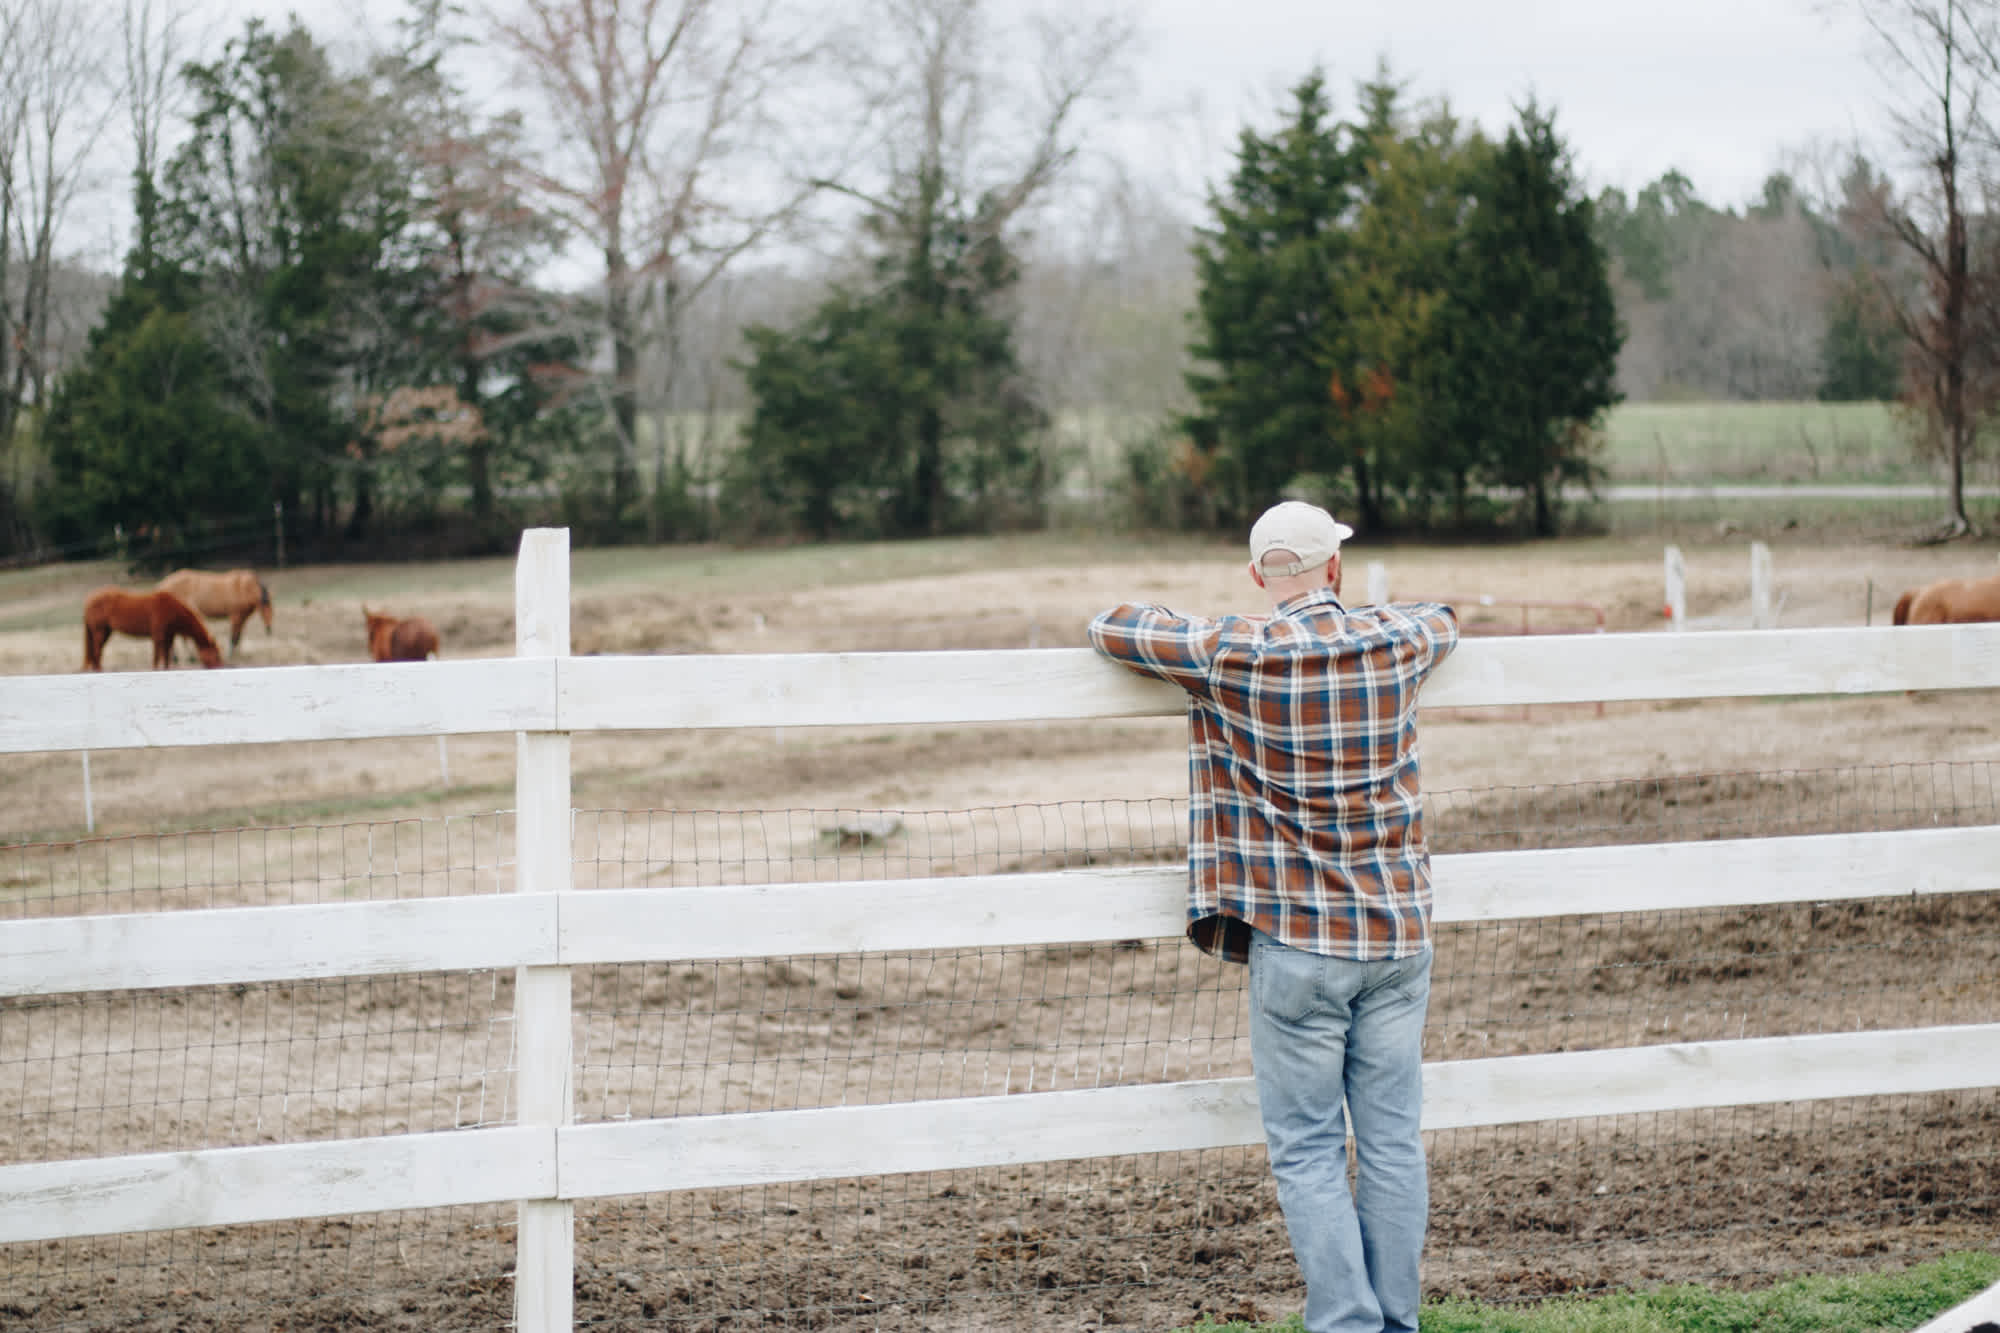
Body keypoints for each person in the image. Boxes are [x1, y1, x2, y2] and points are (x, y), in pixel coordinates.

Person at [1086, 500, 1458, 1333]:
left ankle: (1347, 1324)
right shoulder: (1395, 640)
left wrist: (1199, 623)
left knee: (1307, 1147)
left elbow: (1111, 625)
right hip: (1397, 933)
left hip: (1298, 938)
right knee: (1393, 1140)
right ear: (1334, 568)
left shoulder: (1235, 653)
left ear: (1261, 576)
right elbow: (1445, 618)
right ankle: (1397, 1321)